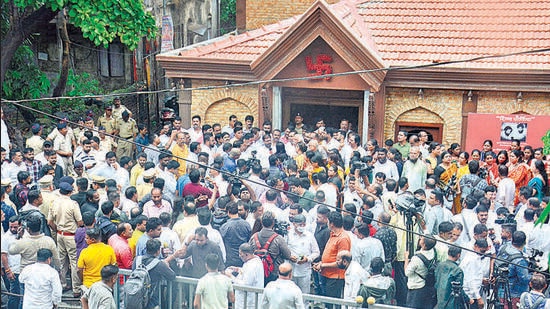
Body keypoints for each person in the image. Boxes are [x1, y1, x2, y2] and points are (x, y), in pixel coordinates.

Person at [47, 181, 84, 297]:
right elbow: (80, 222)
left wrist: (57, 229)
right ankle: (76, 289)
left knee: (62, 261)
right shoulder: (73, 204)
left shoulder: (54, 203)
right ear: (70, 192)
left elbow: (49, 222)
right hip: (71, 235)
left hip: (60, 234)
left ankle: (63, 284)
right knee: (74, 262)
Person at [313, 211, 351, 307]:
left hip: (335, 277)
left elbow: (342, 263)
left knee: (333, 304)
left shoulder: (343, 238)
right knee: (327, 303)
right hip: (326, 274)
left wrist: (323, 265)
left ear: (332, 224)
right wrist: (321, 263)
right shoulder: (333, 234)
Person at [286, 214, 320, 294]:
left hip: (305, 272)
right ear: (294, 224)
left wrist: (307, 259)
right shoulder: (288, 235)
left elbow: (316, 252)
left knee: (304, 295)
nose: (302, 226)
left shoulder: (309, 236)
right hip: (291, 270)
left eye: (303, 224)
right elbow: (284, 250)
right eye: (300, 224)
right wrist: (289, 256)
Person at [224, 243, 264, 309]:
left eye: (241, 255)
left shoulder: (252, 266)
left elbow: (246, 284)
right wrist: (239, 269)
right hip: (247, 299)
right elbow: (248, 274)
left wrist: (231, 277)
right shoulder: (253, 261)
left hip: (248, 302)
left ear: (247, 254)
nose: (239, 256)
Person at [404, 235, 437, 309]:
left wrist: (406, 259)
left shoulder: (416, 259)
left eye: (421, 239)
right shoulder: (433, 252)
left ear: (424, 244)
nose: (420, 239)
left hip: (416, 288)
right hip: (428, 287)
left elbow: (407, 272)